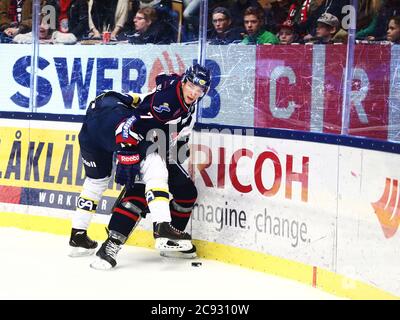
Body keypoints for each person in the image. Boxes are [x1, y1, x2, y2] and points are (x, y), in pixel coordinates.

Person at [68, 64, 211, 263]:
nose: (195, 92)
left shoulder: (179, 97)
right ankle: (112, 247)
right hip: (137, 142)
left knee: (186, 192)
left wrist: (175, 151)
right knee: (139, 191)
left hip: (148, 142)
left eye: (200, 89)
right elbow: (130, 124)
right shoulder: (164, 102)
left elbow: (152, 92)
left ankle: (168, 237)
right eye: (192, 86)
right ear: (184, 81)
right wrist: (128, 155)